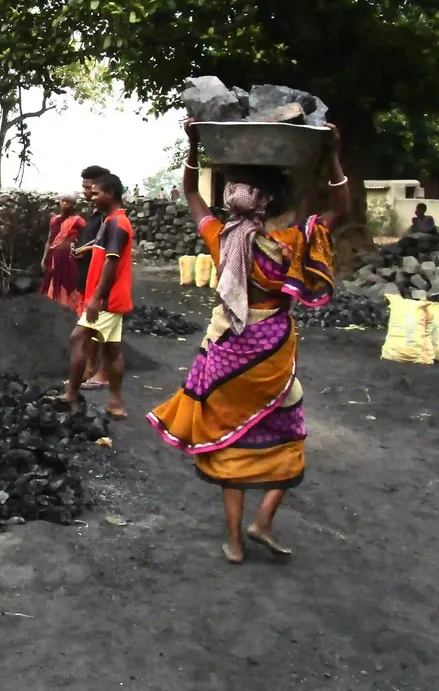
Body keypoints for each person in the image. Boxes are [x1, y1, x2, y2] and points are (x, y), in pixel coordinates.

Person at [147, 120, 347, 564]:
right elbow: (341, 210)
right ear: (276, 200)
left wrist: (193, 144)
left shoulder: (223, 237)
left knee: (227, 442)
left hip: (224, 354)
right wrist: (332, 153)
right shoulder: (292, 243)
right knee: (291, 426)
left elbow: (192, 196)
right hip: (271, 353)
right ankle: (264, 520)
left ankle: (236, 541)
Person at [63, 172, 134, 420]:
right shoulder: (113, 221)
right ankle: (116, 403)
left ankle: (71, 394)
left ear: (110, 194)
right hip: (111, 298)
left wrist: (96, 298)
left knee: (78, 339)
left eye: (96, 193)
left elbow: (111, 264)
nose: (91, 197)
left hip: (106, 299)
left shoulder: (117, 224)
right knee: (112, 349)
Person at [73, 166, 112, 389]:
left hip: (99, 282)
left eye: (90, 188)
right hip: (86, 278)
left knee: (98, 330)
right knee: (89, 328)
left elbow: (108, 251)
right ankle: (90, 368)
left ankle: (97, 371)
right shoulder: (94, 215)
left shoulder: (111, 219)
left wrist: (87, 250)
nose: (86, 192)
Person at [40, 196, 86, 310]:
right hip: (53, 256)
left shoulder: (78, 220)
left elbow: (85, 239)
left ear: (73, 205)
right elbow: (49, 240)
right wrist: (44, 258)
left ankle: (69, 308)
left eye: (68, 202)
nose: (65, 204)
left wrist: (78, 250)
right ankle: (53, 307)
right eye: (63, 201)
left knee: (68, 281)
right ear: (59, 202)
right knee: (51, 281)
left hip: (68, 258)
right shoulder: (54, 219)